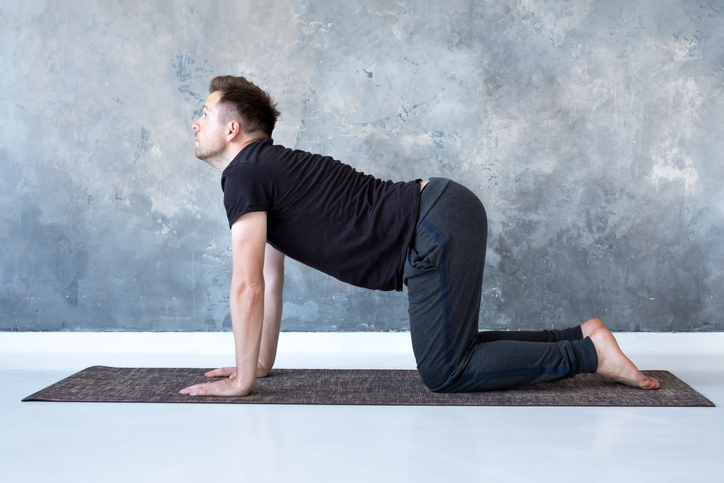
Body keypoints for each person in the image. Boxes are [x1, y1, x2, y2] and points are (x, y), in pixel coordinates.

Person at [180, 76, 660, 397]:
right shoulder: (267, 171)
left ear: (233, 128)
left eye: (204, 112)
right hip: (441, 213)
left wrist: (241, 382)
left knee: (445, 371)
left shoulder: (246, 174)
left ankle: (589, 355)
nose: (196, 122)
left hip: (432, 226)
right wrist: (257, 366)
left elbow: (247, 288)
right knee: (457, 348)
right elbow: (268, 274)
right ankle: (582, 337)